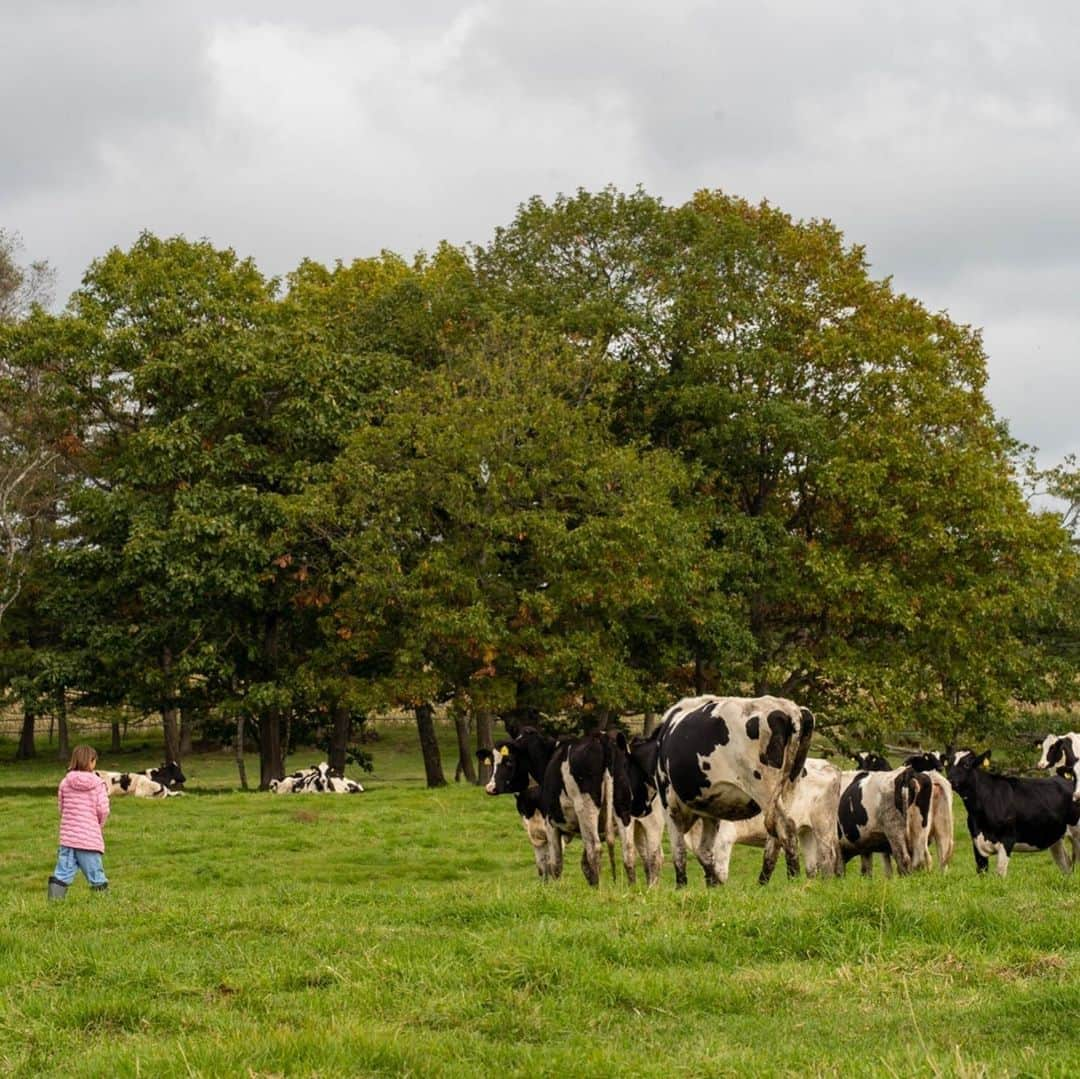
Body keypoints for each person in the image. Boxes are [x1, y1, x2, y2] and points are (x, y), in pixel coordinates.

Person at [48, 744, 110, 899]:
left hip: (68, 839)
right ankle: (104, 904)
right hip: (89, 839)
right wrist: (98, 825)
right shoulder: (98, 784)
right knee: (95, 872)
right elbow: (103, 810)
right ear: (92, 762)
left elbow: (61, 807)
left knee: (62, 872)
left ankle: (54, 902)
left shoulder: (65, 782)